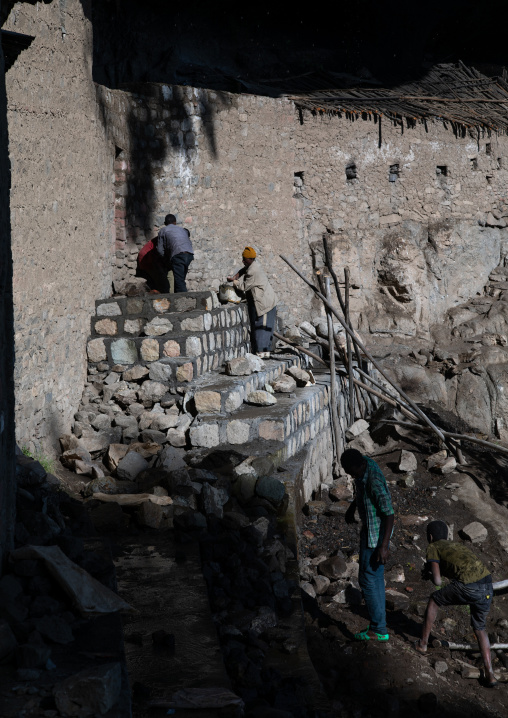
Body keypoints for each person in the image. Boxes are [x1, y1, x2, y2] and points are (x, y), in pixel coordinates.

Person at [415, 520, 497, 687]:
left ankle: (423, 644)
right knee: (480, 628)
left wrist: (431, 573)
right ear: (447, 535)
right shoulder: (456, 547)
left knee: (434, 599)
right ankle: (490, 674)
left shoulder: (434, 546)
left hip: (469, 586)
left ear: (430, 537)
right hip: (487, 586)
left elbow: (438, 580)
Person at [341, 448, 395, 642]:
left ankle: (378, 628)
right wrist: (353, 506)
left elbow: (389, 513)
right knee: (375, 576)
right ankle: (380, 624)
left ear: (361, 465)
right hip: (370, 529)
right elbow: (360, 487)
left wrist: (384, 545)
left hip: (376, 535)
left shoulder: (374, 481)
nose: (352, 476)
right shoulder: (365, 465)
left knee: (367, 578)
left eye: (353, 472)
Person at [227, 246, 277, 358]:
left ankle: (261, 352)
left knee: (262, 328)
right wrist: (237, 275)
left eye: (244, 259)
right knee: (262, 327)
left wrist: (233, 281)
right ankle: (263, 351)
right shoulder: (253, 265)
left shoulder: (253, 271)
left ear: (250, 259)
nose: (243, 261)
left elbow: (244, 286)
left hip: (265, 303)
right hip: (264, 299)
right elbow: (244, 270)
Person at [156, 214, 194, 293]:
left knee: (179, 282)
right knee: (180, 279)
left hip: (178, 255)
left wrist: (166, 260)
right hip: (189, 254)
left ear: (165, 223)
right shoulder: (182, 230)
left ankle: (185, 301)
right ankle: (177, 300)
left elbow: (160, 250)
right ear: (175, 222)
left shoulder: (163, 230)